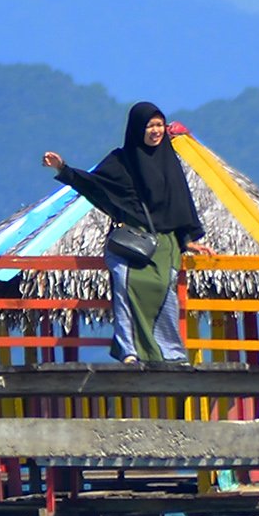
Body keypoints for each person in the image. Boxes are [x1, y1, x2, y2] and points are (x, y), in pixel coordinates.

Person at [39, 102, 201, 363]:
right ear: (138, 128)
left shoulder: (168, 160)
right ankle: (130, 351)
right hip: (131, 243)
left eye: (159, 125)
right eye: (150, 126)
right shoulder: (121, 160)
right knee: (126, 289)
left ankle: (167, 352)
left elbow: (180, 204)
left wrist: (188, 239)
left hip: (165, 245)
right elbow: (95, 185)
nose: (155, 131)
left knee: (162, 291)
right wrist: (63, 169)